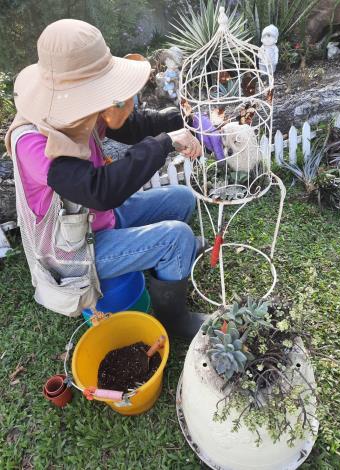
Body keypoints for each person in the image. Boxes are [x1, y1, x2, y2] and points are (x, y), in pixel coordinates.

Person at [5, 19, 205, 339]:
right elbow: (99, 190)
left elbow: (132, 126)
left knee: (182, 198)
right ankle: (175, 321)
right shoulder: (32, 143)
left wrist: (188, 119)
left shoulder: (76, 110)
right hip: (73, 252)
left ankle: (164, 267)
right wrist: (167, 142)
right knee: (177, 237)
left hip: (99, 222)